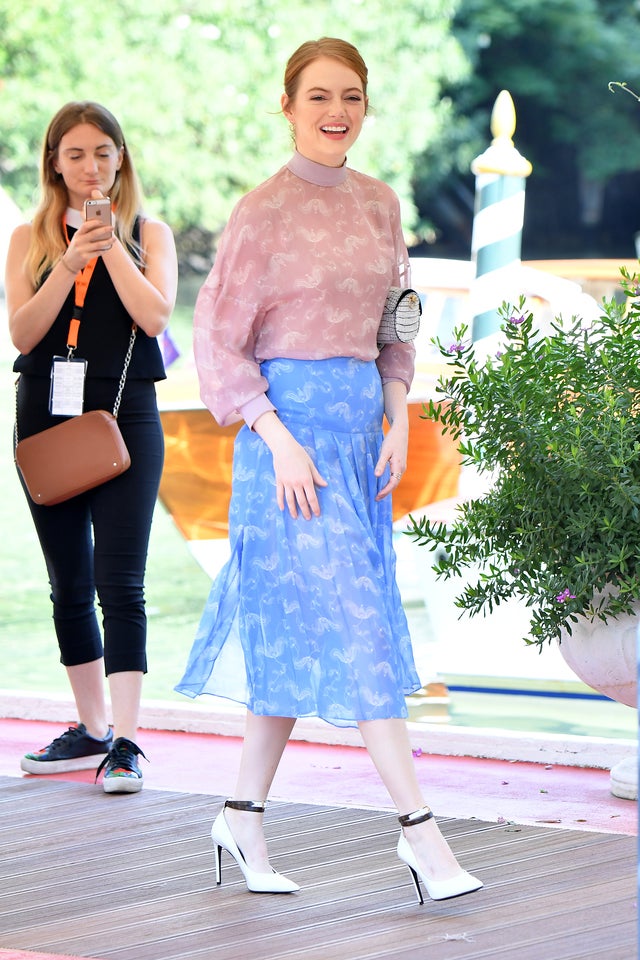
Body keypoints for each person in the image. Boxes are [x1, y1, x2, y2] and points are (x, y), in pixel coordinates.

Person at [176, 38, 482, 903]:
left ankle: (241, 815)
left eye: (350, 96)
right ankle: (421, 835)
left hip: (357, 448)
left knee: (299, 628)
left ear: (365, 106)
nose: (335, 111)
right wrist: (277, 437)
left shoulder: (383, 206)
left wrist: (395, 417)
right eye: (317, 96)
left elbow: (397, 319)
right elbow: (217, 341)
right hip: (288, 455)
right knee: (358, 624)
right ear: (288, 105)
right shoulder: (258, 212)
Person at [6, 101, 178, 793]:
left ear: (120, 159)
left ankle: (128, 744)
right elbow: (22, 333)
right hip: (47, 413)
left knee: (122, 583)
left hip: (126, 412)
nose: (90, 166)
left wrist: (109, 254)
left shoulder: (148, 232)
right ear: (54, 161)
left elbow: (157, 314)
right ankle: (92, 729)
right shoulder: (28, 237)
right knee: (68, 584)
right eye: (75, 153)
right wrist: (67, 261)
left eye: (103, 152)